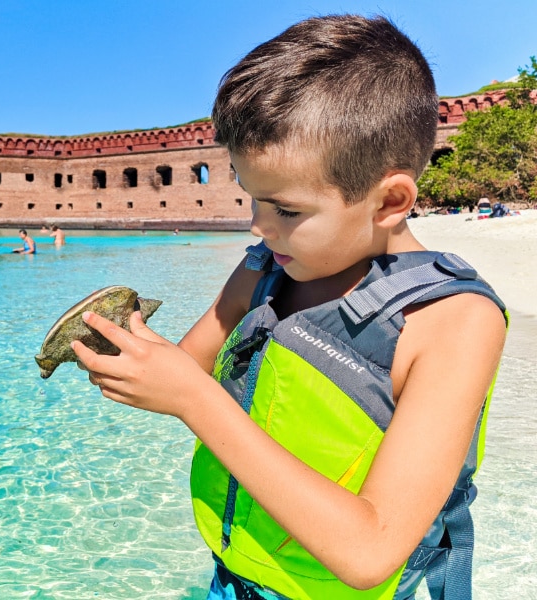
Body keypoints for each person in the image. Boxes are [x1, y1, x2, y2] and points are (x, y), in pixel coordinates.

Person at [72, 15, 507, 600]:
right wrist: (130, 356)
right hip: (234, 576)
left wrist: (192, 399)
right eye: (251, 197)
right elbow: (189, 368)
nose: (256, 224)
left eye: (286, 210)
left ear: (391, 202)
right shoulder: (264, 269)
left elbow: (370, 552)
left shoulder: (452, 324)